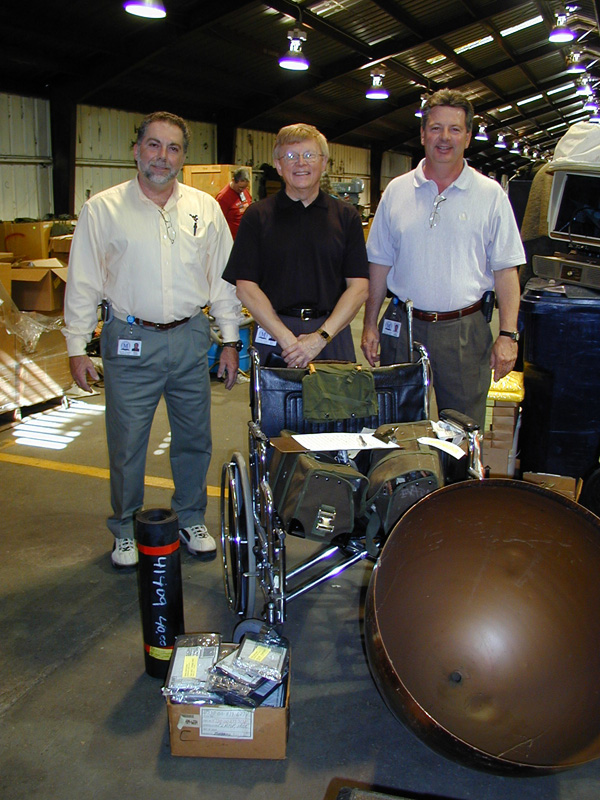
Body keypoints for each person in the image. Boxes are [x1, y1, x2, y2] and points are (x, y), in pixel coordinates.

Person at [63, 111, 242, 569]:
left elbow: (223, 279)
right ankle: (125, 527)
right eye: (154, 145)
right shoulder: (102, 209)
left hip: (189, 337)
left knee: (194, 438)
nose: (163, 156)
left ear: (184, 156)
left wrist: (229, 339)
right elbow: (82, 280)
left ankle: (189, 517)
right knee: (126, 442)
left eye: (174, 147)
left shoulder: (204, 209)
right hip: (130, 339)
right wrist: (76, 346)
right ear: (137, 148)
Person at [361, 89, 524, 430]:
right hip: (401, 326)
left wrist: (508, 335)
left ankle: (458, 484)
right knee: (397, 427)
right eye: (436, 128)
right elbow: (379, 263)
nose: (444, 138)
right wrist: (369, 323)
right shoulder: (397, 191)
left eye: (454, 129)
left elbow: (506, 270)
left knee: (462, 431)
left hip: (464, 331)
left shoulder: (490, 195)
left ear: (468, 136)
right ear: (423, 134)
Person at [223, 123, 369, 368]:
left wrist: (320, 338)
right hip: (274, 335)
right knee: (274, 407)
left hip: (331, 334)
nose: (301, 163)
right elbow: (245, 287)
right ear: (279, 166)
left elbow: (359, 288)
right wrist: (286, 339)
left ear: (324, 163)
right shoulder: (257, 216)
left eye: (310, 155)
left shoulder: (347, 217)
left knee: (335, 407)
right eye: (290, 156)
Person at [216, 167, 252, 239]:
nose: (242, 190)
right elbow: (218, 222)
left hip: (246, 236)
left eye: (245, 187)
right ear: (233, 181)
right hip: (233, 239)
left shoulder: (244, 191)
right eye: (240, 187)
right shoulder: (223, 198)